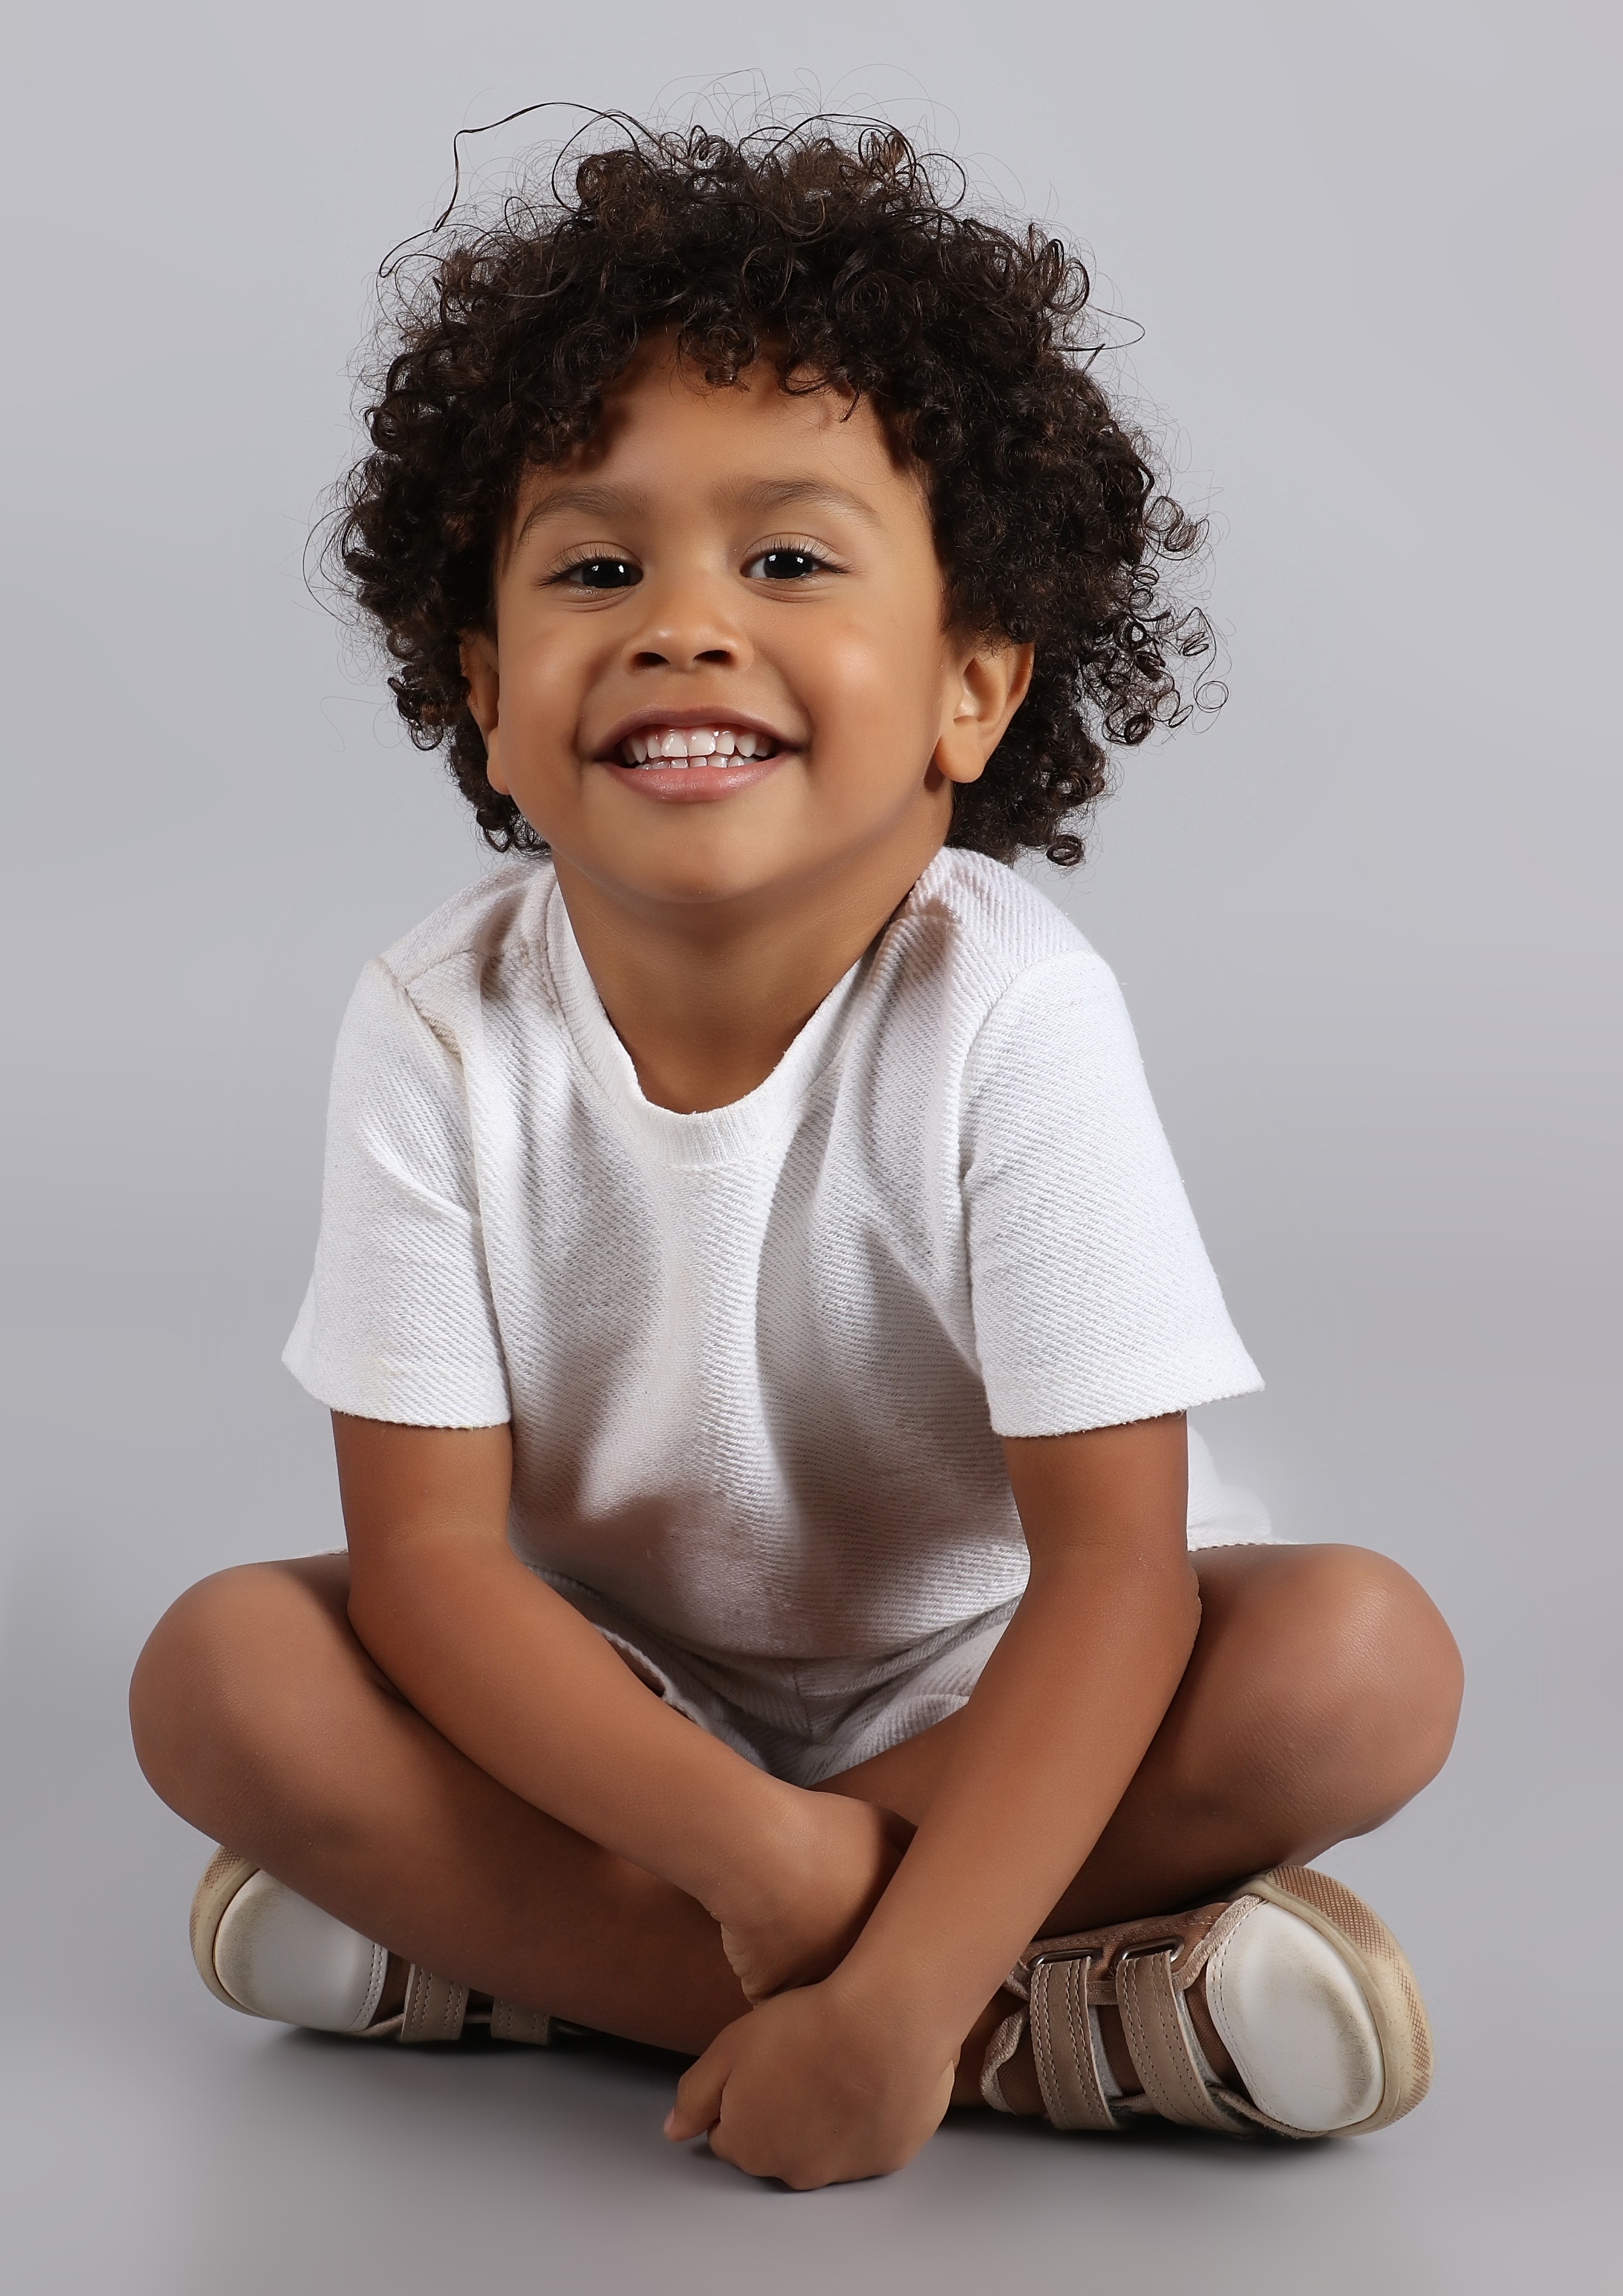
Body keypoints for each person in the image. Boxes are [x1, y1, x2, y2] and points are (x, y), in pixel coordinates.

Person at [129, 120, 1462, 2191]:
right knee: (221, 1679)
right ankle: (1035, 2032)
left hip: (1001, 1682)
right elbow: (433, 1567)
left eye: (786, 561)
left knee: (1359, 1668)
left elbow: (1113, 1576)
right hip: (611, 1701)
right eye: (596, 571)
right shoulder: (435, 1020)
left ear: (970, 688)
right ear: (487, 696)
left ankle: (538, 1968)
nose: (682, 625)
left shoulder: (1008, 1010)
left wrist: (894, 1983)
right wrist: (771, 1869)